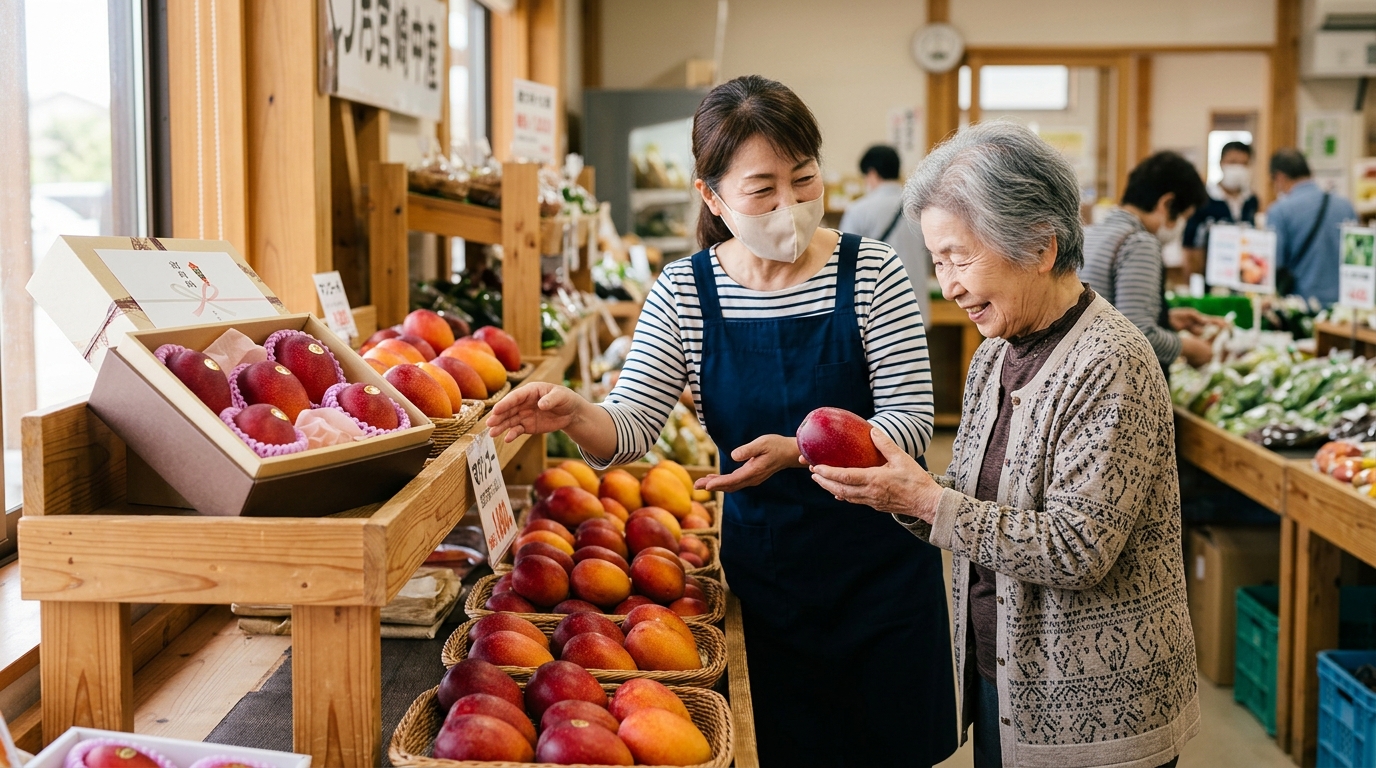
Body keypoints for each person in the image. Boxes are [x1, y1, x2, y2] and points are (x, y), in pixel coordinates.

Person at [489, 75, 958, 767]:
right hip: (768, 583)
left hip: (881, 575)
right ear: (711, 196)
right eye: (762, 190)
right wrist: (577, 412)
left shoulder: (873, 272)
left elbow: (913, 421)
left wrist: (800, 451)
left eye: (803, 180)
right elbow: (631, 431)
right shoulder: (686, 290)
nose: (790, 206)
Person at [811, 122, 1198, 768]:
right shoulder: (995, 355)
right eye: (937, 261)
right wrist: (898, 491)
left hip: (1093, 714)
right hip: (1010, 684)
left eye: (960, 258)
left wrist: (932, 503)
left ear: (1041, 246)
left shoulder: (1112, 361)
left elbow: (1078, 550)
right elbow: (968, 503)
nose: (949, 283)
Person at [1081, 151, 1220, 371]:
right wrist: (1190, 347)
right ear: (1167, 203)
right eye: (1184, 217)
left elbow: (1113, 312)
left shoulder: (1091, 234)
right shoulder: (1139, 243)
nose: (1181, 227)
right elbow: (1136, 334)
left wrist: (1167, 319)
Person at [840, 144, 933, 320]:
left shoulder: (858, 210)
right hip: (916, 308)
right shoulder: (920, 207)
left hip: (877, 313)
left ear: (872, 173)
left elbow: (846, 263)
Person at [1269, 148, 1357, 305]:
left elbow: (1274, 264)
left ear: (1280, 177)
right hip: (1345, 305)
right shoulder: (1346, 206)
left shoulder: (1279, 211)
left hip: (1301, 305)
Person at [1182, 141, 1260, 277]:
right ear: (1221, 163)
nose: (1238, 168)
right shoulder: (1204, 198)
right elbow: (1190, 244)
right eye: (1233, 162)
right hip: (1210, 276)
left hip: (1244, 276)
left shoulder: (1251, 201)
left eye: (1243, 164)